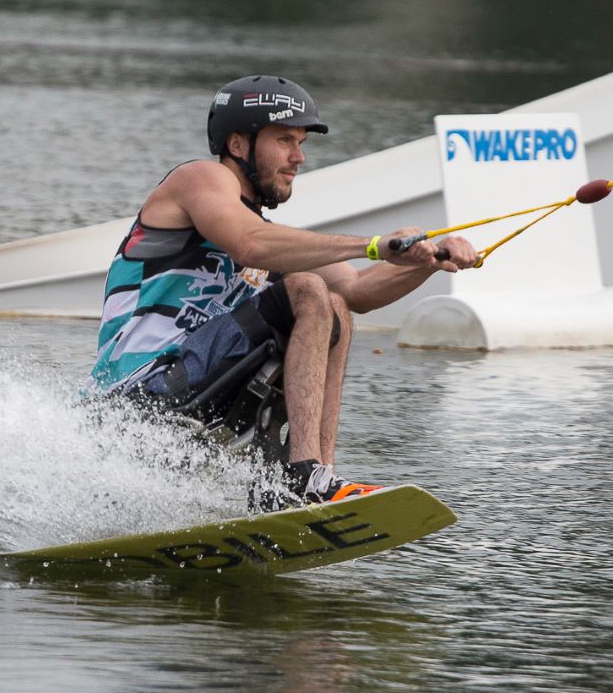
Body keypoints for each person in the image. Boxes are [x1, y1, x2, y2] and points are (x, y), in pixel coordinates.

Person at [87, 74, 479, 506]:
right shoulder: (199, 180)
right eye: (285, 141)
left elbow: (358, 289)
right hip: (135, 395)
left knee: (334, 304)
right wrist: (373, 245)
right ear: (238, 145)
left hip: (196, 386)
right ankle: (304, 478)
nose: (299, 157)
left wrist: (431, 261)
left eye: (302, 143)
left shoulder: (269, 237)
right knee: (308, 290)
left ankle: (303, 482)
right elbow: (247, 243)